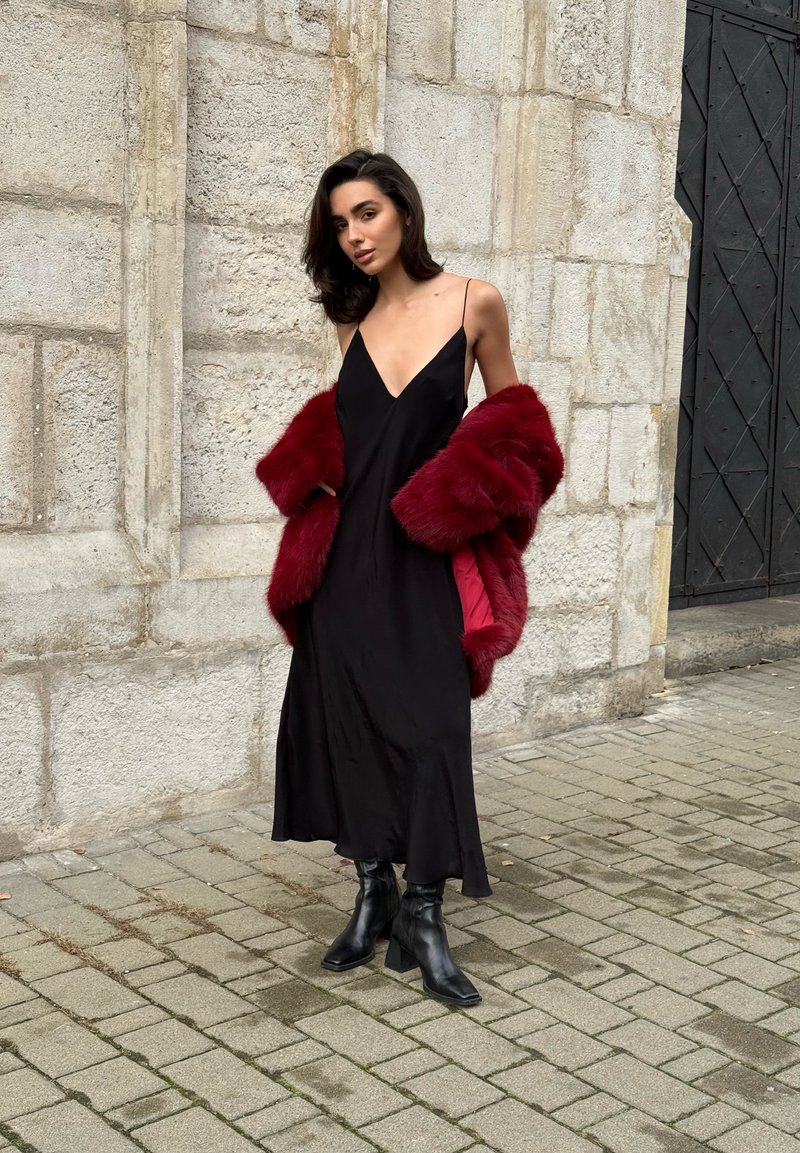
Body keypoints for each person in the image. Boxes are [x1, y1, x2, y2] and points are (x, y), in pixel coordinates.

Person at [256, 149, 563, 1008]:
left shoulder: (474, 302)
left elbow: (522, 434)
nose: (355, 234)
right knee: (351, 723)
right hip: (343, 569)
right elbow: (347, 439)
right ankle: (374, 892)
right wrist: (312, 479)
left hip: (425, 560)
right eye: (340, 223)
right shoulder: (351, 323)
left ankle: (424, 911)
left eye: (367, 213)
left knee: (432, 729)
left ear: (403, 209)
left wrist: (458, 499)